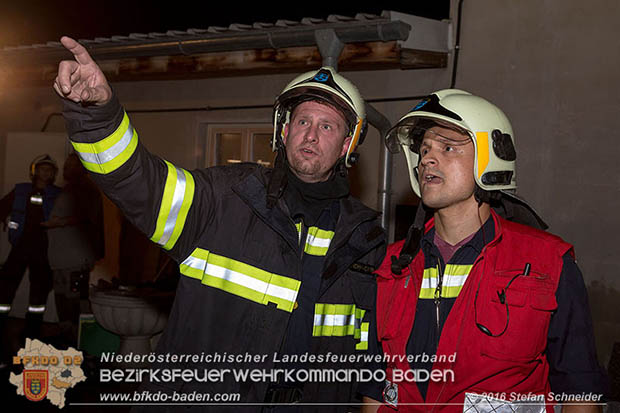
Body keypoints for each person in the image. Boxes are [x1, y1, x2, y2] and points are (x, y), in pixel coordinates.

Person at [53, 36, 386, 411]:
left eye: (328, 127)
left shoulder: (364, 239)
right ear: (284, 130)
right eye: (303, 120)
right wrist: (98, 114)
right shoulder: (223, 199)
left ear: (347, 144)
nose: (311, 134)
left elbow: (369, 358)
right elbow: (138, 183)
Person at [360, 90, 607, 412]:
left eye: (448, 147)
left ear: (491, 156)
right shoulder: (392, 265)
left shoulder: (548, 263)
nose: (427, 160)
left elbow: (580, 390)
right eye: (424, 150)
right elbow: (376, 387)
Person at [0, 154, 61, 365]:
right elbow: (2, 208)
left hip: (44, 250)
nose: (46, 173)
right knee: (6, 286)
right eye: (43, 169)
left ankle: (32, 331)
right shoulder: (21, 190)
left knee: (40, 290)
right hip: (20, 247)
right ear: (34, 171)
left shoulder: (58, 195)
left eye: (50, 170)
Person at [42, 152, 104, 347]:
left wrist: (56, 223)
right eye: (67, 163)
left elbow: (86, 217)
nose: (66, 168)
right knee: (63, 297)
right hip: (62, 258)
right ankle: (67, 335)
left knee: (74, 299)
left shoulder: (86, 189)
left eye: (71, 164)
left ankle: (77, 341)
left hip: (75, 258)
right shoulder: (70, 188)